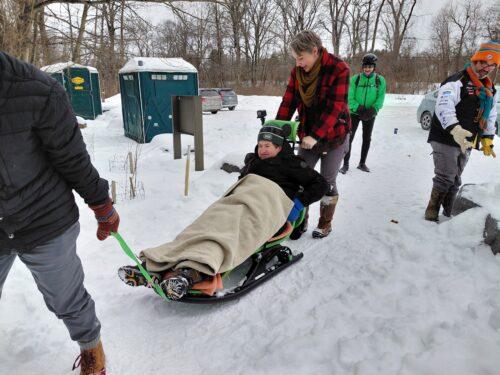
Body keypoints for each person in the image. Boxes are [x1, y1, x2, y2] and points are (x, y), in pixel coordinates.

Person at [0, 52, 119, 374]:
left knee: (66, 297)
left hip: (43, 217)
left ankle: (92, 353)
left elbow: (71, 157)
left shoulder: (36, 89)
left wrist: (101, 204)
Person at [118, 125, 328, 300]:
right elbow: (242, 184)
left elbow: (321, 184)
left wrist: (296, 205)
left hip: (265, 208)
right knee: (204, 226)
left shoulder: (294, 165)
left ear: (280, 147)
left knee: (229, 233)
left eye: (268, 146)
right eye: (261, 145)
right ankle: (151, 266)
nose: (263, 150)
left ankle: (190, 273)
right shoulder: (254, 162)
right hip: (235, 202)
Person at [276, 30, 351, 239]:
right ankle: (300, 222)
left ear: (314, 51)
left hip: (335, 135)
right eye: (295, 59)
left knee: (326, 181)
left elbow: (335, 108)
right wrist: (276, 129)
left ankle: (325, 223)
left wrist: (315, 135)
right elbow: (288, 101)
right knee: (302, 176)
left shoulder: (339, 69)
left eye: (301, 58)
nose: (298, 63)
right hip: (308, 133)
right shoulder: (298, 73)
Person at [425, 40, 499, 221]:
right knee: (446, 175)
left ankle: (449, 212)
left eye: (491, 65)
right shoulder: (456, 82)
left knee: (456, 177)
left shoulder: (489, 89)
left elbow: (491, 114)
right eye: (483, 63)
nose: (485, 68)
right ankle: (431, 212)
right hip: (445, 136)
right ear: (475, 61)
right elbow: (443, 108)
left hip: (467, 139)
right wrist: (455, 129)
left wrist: (488, 137)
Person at [340, 53, 386, 174]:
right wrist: (359, 108)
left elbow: (380, 98)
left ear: (374, 67)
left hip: (370, 114)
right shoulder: (355, 79)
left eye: (370, 67)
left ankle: (362, 163)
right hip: (355, 113)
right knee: (349, 138)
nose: (367, 69)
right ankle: (345, 164)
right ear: (362, 67)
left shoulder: (380, 80)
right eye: (365, 66)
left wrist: (373, 110)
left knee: (367, 138)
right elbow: (349, 98)